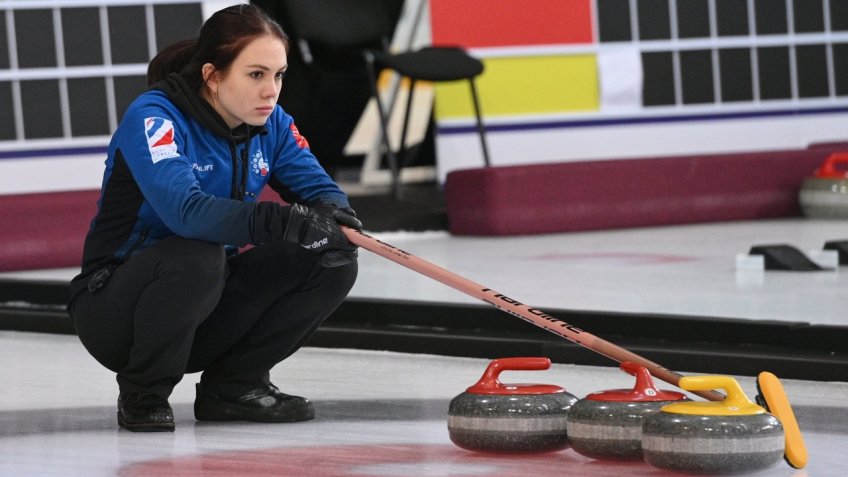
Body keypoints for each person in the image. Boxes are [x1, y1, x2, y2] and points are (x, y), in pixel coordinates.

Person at [66, 4, 362, 432]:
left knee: (331, 259)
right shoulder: (155, 118)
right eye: (256, 74)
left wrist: (334, 217)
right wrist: (283, 222)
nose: (271, 91)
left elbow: (319, 189)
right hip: (116, 312)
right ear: (212, 74)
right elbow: (186, 213)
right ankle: (143, 392)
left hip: (205, 298)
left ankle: (234, 386)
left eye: (278, 75)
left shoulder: (271, 122)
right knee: (197, 255)